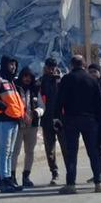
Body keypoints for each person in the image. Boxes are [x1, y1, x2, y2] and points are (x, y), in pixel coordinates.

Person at [55, 55, 101, 195]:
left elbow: (59, 100)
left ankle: (71, 184)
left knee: (72, 152)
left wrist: (56, 117)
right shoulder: (92, 80)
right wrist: (99, 120)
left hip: (71, 120)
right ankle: (98, 182)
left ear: (72, 65)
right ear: (85, 64)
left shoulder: (67, 79)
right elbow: (99, 103)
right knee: (93, 152)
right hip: (90, 120)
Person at [0, 55, 25, 193]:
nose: (13, 67)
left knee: (10, 152)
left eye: (14, 64)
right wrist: (5, 109)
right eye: (10, 64)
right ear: (4, 65)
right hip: (4, 120)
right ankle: (4, 180)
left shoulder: (11, 82)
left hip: (14, 119)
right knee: (4, 151)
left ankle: (8, 178)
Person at [11, 67, 45, 188]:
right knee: (15, 151)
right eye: (25, 76)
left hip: (32, 125)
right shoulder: (15, 89)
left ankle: (26, 176)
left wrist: (35, 113)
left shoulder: (35, 90)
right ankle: (12, 176)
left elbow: (42, 106)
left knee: (29, 151)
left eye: (29, 77)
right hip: (18, 124)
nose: (27, 79)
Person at [39, 57, 65, 186]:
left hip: (61, 119)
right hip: (47, 119)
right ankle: (54, 172)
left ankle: (70, 171)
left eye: (53, 67)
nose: (51, 70)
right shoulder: (41, 81)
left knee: (65, 146)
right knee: (50, 149)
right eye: (49, 67)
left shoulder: (62, 80)